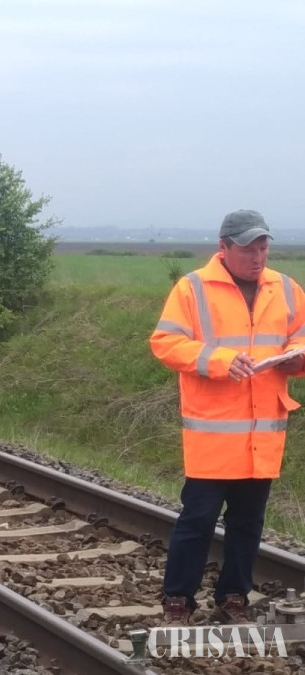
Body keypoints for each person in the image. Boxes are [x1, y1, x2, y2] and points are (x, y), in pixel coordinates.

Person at [150, 209, 305, 625]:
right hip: (213, 434)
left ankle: (234, 596)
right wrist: (219, 360)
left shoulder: (286, 289)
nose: (258, 257)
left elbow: (300, 336)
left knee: (248, 521)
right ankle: (177, 600)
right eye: (249, 249)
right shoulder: (193, 288)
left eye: (263, 247)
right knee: (198, 518)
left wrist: (297, 359)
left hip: (262, 433)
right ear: (224, 248)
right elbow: (166, 343)